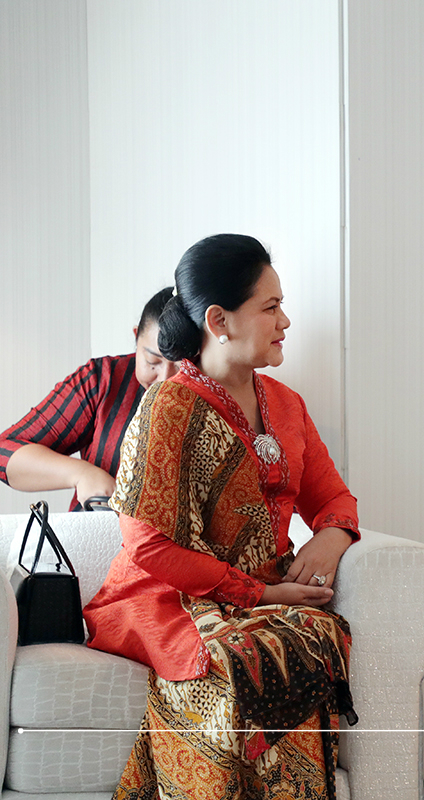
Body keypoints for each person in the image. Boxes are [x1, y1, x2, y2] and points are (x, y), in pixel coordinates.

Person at [83, 234, 359, 800]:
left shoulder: (285, 404)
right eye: (271, 307)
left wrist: (330, 538)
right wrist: (258, 596)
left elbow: (333, 497)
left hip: (258, 589)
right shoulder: (168, 406)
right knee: (245, 658)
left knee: (311, 635)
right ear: (220, 320)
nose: (286, 321)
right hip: (164, 593)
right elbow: (149, 548)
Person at [0, 288, 178, 509]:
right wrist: (81, 473)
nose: (165, 380)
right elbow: (6, 452)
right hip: (95, 539)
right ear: (135, 338)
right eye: (152, 361)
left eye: (182, 365)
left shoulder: (215, 394)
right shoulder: (103, 379)